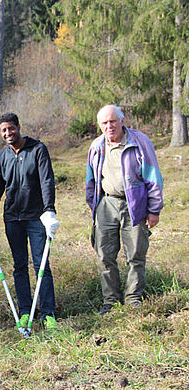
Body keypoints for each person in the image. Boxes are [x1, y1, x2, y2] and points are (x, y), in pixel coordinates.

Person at [0, 112, 59, 329]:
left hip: (36, 218)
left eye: (11, 128)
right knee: (19, 266)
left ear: (18, 127)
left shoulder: (37, 150)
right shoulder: (2, 158)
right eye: (3, 130)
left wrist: (49, 210)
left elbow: (47, 181)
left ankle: (48, 313)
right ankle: (25, 311)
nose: (8, 133)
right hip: (13, 219)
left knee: (41, 264)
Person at [86, 105, 163, 315]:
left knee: (136, 254)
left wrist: (154, 210)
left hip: (134, 205)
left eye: (113, 121)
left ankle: (133, 298)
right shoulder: (96, 146)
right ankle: (110, 301)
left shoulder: (139, 142)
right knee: (104, 255)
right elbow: (90, 180)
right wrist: (93, 204)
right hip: (106, 204)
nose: (109, 126)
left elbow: (153, 177)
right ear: (99, 125)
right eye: (104, 123)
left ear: (122, 120)